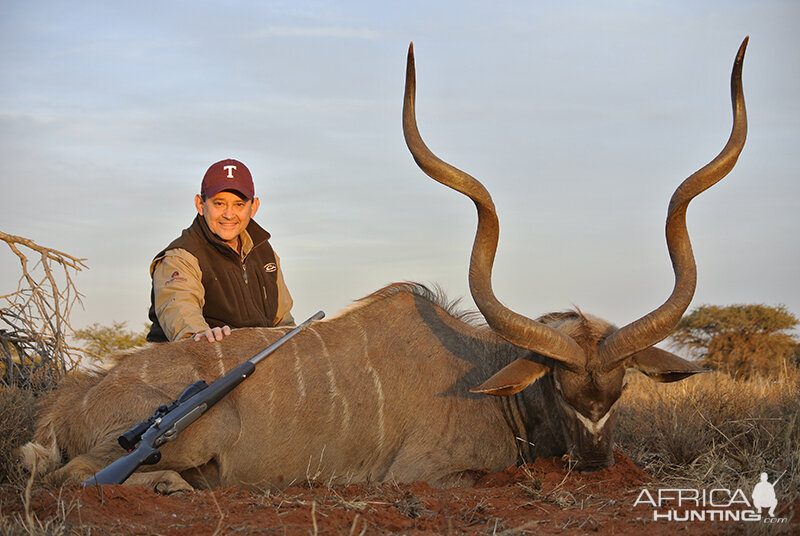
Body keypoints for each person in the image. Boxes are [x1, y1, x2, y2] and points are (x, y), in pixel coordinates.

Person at [146, 158, 294, 343]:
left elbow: (283, 322)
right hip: (197, 364)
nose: (229, 214)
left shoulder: (265, 253)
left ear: (253, 207)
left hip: (256, 362)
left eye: (238, 204)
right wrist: (198, 335)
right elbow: (182, 314)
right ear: (200, 204)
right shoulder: (180, 257)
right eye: (219, 204)